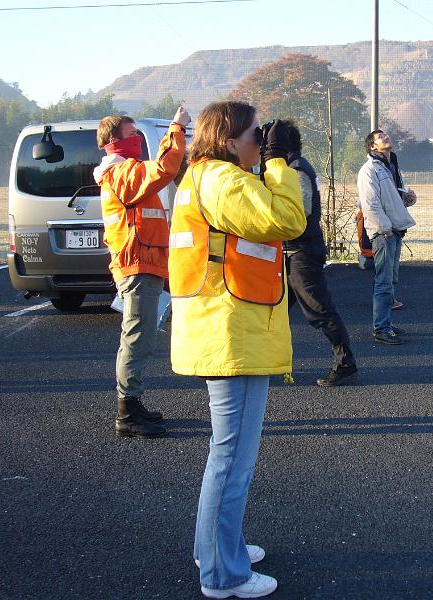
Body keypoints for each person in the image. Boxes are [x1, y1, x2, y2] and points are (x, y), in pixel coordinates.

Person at [168, 102, 305, 598]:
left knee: (226, 457)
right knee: (230, 460)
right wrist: (279, 162)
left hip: (224, 327)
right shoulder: (226, 181)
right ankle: (222, 574)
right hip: (232, 334)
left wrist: (267, 160)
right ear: (229, 140)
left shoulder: (203, 176)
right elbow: (287, 218)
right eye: (254, 135)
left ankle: (219, 547)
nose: (259, 142)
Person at [93, 107, 190, 438]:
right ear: (113, 142)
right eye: (133, 135)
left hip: (143, 264)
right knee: (137, 336)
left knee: (140, 334)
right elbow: (164, 167)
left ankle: (132, 404)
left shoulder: (123, 173)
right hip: (136, 265)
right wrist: (176, 128)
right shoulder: (121, 173)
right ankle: (127, 412)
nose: (137, 140)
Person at [281, 120, 358, 387]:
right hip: (293, 252)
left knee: (319, 310)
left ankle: (345, 363)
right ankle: (274, 364)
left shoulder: (296, 170)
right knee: (275, 311)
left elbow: (302, 213)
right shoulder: (294, 167)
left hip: (301, 252)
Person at [356, 129, 417, 345]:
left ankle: (386, 323)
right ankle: (381, 328)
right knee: (383, 281)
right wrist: (385, 229)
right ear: (372, 146)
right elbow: (370, 204)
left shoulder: (391, 166)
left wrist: (409, 198)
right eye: (380, 137)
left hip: (395, 230)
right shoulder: (369, 170)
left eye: (385, 135)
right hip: (384, 233)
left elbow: (394, 198)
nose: (386, 137)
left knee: (390, 279)